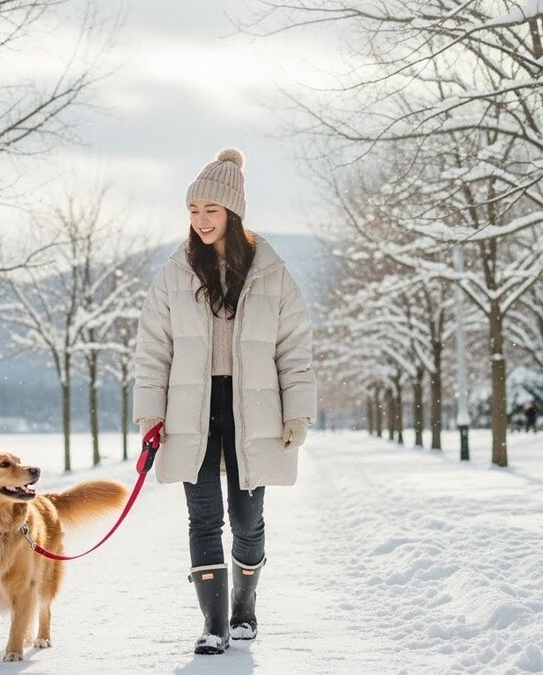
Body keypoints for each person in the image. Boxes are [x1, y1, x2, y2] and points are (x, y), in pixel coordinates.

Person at [132, 147, 316, 655]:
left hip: (253, 406)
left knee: (247, 517)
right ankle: (214, 625)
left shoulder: (271, 272)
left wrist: (297, 410)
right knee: (203, 516)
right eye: (193, 211)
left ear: (233, 213)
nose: (201, 221)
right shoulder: (175, 271)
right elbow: (152, 348)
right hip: (191, 408)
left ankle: (245, 608)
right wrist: (151, 412)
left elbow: (294, 345)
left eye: (210, 211)